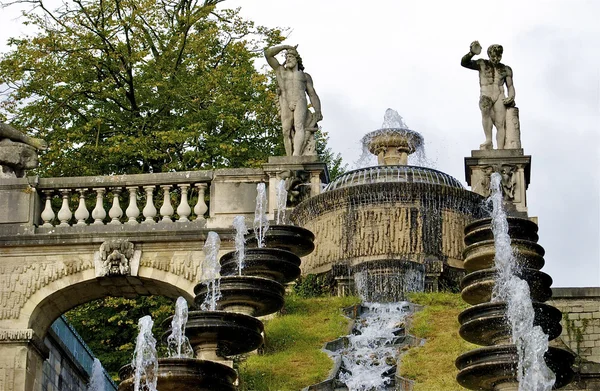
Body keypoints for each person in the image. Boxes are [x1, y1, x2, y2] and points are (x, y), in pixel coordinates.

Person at [264, 44, 322, 156]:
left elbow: (312, 94)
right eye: (286, 57)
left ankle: (296, 155)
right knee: (286, 131)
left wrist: (318, 110)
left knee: (299, 126)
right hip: (286, 101)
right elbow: (268, 54)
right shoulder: (281, 71)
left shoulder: (304, 76)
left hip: (300, 100)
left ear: (297, 59)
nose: (288, 59)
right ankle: (290, 157)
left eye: (291, 57)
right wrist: (285, 46)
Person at [461, 41, 515, 150]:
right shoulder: (482, 63)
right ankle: (488, 140)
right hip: (486, 93)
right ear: (489, 55)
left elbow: (510, 86)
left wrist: (511, 96)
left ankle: (500, 149)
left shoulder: (506, 69)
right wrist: (471, 53)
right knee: (485, 114)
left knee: (500, 123)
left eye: (498, 56)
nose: (496, 58)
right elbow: (464, 63)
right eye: (494, 56)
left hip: (500, 95)